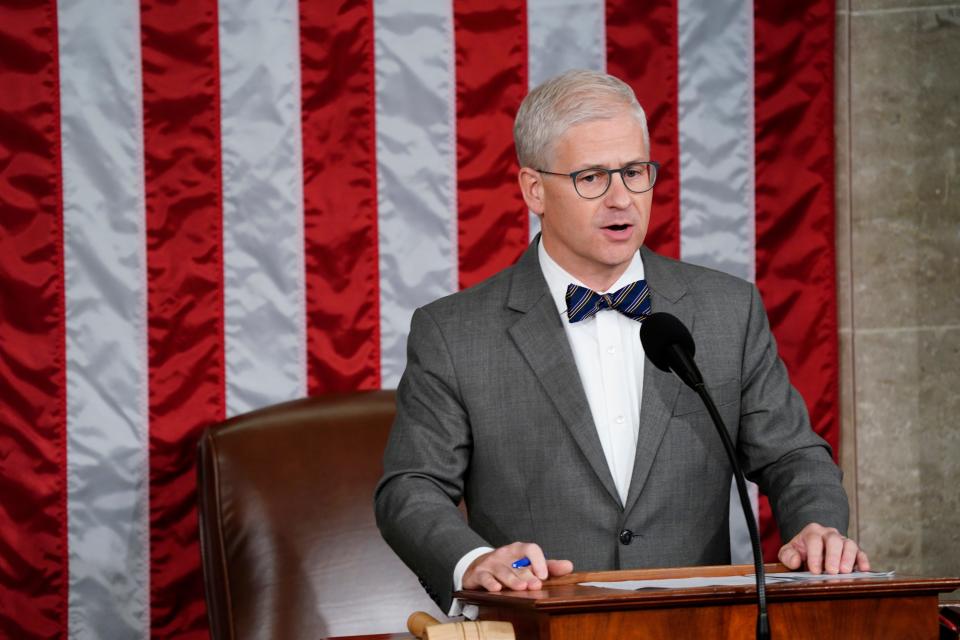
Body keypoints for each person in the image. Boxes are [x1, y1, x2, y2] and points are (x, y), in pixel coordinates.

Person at [374, 69, 868, 615]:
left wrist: (816, 526)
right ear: (533, 189)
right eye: (591, 177)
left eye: (634, 172)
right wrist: (473, 561)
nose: (622, 200)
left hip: (699, 627)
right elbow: (411, 488)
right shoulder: (454, 332)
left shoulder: (727, 310)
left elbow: (794, 454)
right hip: (539, 626)